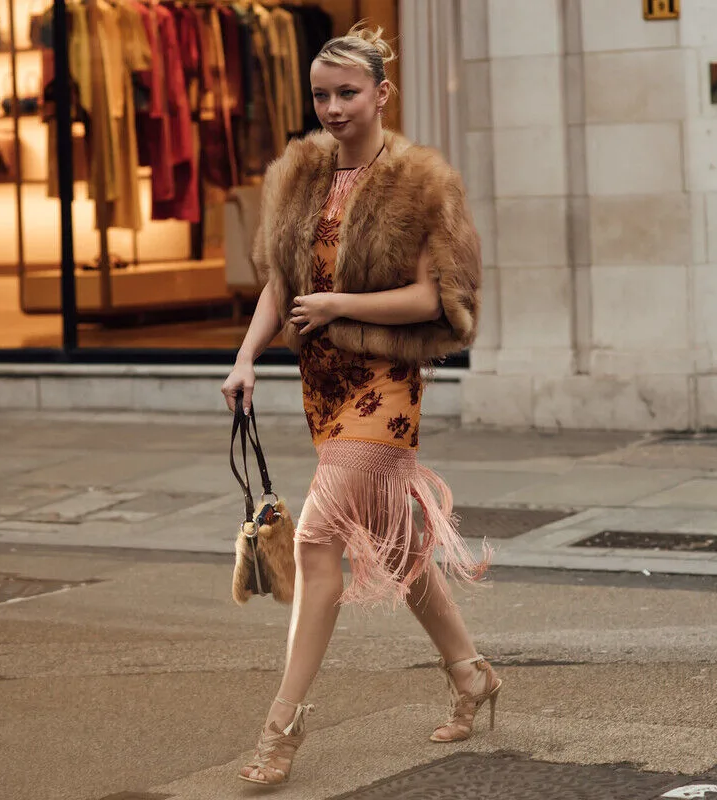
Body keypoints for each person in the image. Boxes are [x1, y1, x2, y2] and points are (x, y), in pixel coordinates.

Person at [220, 24, 501, 787]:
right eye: (321, 96)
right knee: (397, 542)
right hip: (325, 385)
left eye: (348, 93)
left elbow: (434, 298)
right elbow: (279, 284)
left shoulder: (420, 184)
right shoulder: (300, 176)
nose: (334, 108)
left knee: (316, 542)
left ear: (382, 93)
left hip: (387, 383)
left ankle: (281, 727)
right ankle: (471, 672)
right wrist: (245, 358)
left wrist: (339, 302)